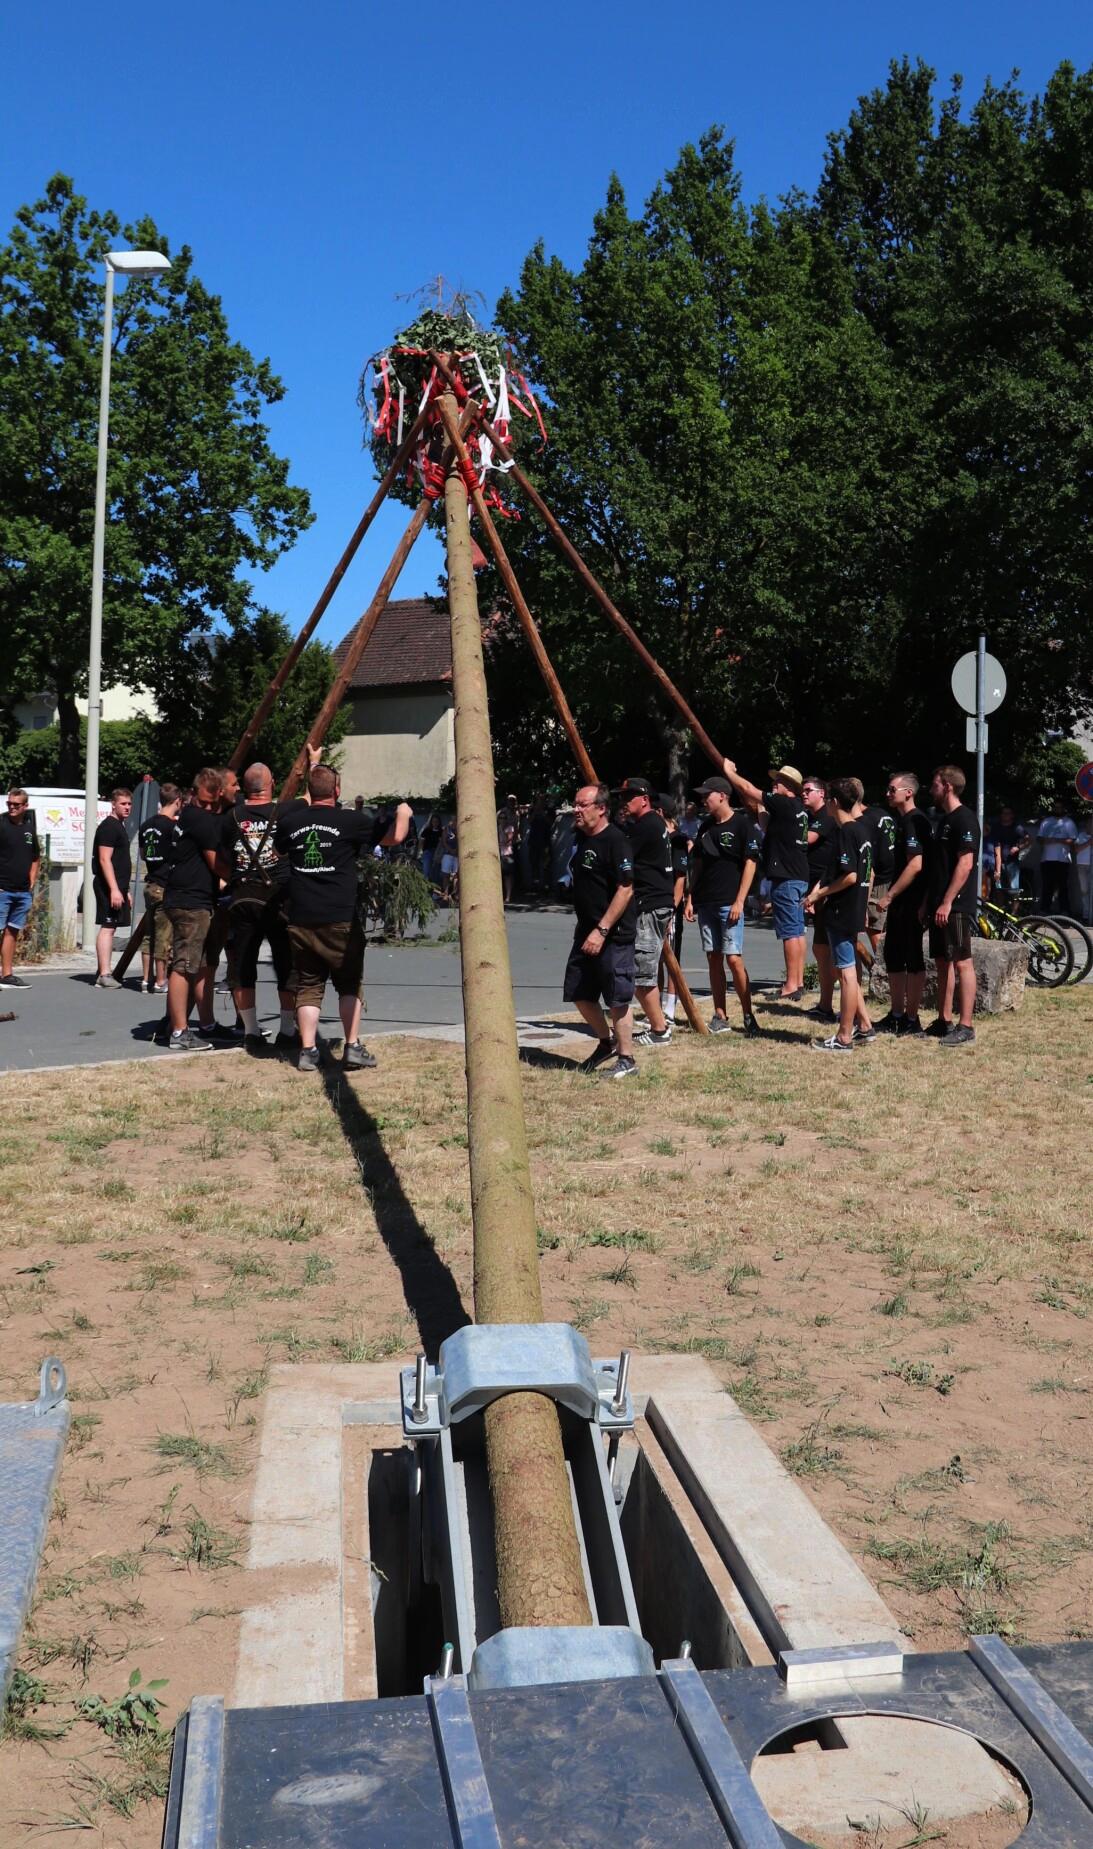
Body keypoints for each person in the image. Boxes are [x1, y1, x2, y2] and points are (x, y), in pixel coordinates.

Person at [274, 762, 375, 1073]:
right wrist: (403, 815)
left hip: (302, 916)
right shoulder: (351, 821)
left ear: (311, 792)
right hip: (340, 916)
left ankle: (306, 1051)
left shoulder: (291, 822)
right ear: (337, 790)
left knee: (308, 984)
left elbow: (279, 852)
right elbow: (393, 838)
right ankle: (353, 1046)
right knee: (348, 983)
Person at [220, 762, 298, 1056]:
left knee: (243, 965)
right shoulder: (286, 813)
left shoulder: (231, 817)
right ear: (272, 784)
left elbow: (219, 857)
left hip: (243, 898)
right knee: (286, 964)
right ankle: (288, 1030)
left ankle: (251, 1032)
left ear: (244, 785)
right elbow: (314, 802)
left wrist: (234, 878)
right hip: (279, 897)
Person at [564, 783, 637, 1080]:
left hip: (612, 934)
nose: (576, 810)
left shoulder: (615, 840)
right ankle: (606, 1042)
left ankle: (627, 1058)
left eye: (583, 805)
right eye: (576, 804)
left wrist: (602, 930)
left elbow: (626, 888)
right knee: (579, 993)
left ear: (601, 808)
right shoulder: (581, 839)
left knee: (617, 998)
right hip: (585, 931)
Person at [722, 759, 810, 998]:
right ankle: (798, 981)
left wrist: (730, 772)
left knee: (789, 931)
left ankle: (791, 985)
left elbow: (750, 789)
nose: (774, 785)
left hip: (786, 877)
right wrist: (759, 809)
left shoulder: (784, 802)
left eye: (779, 782)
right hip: (798, 875)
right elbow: (767, 825)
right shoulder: (796, 809)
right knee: (797, 930)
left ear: (789, 787)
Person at [684, 775, 762, 1036]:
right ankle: (720, 1014)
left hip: (730, 903)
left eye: (708, 795)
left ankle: (748, 1015)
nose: (703, 799)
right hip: (705, 901)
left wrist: (740, 900)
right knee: (713, 957)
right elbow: (698, 864)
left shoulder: (742, 825)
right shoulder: (705, 826)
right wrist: (691, 896)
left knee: (733, 958)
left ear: (722, 795)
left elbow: (751, 863)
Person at [805, 778, 874, 1053]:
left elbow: (852, 876)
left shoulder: (846, 831)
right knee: (846, 971)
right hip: (854, 908)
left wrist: (818, 895)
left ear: (833, 802)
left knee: (846, 974)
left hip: (842, 909)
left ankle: (844, 1037)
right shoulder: (862, 830)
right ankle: (865, 1027)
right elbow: (867, 872)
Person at [162, 768, 226, 1052]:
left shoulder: (188, 813)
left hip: (185, 897)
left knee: (195, 966)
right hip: (190, 901)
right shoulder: (201, 820)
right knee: (184, 965)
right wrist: (238, 874)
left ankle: (198, 1025)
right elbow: (216, 863)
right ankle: (178, 1031)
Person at [926, 764, 981, 1048]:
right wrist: (930, 902)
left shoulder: (965, 820)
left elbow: (966, 863)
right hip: (939, 904)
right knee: (942, 961)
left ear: (947, 785)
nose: (931, 788)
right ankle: (944, 1020)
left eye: (934, 783)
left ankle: (966, 1025)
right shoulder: (945, 820)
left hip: (956, 905)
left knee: (962, 962)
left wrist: (948, 901)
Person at [873, 773, 931, 1036]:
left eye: (892, 789)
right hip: (901, 904)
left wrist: (889, 895)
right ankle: (896, 1014)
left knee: (912, 958)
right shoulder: (902, 821)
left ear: (909, 792)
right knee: (893, 957)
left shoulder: (914, 821)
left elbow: (916, 865)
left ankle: (912, 1018)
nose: (887, 793)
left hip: (911, 902)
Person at [619, 777, 675, 1048]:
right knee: (642, 969)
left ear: (644, 798)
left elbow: (622, 854)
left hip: (651, 904)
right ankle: (658, 1025)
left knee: (642, 973)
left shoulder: (646, 825)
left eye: (629, 797)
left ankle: (659, 1030)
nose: (624, 802)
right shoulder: (652, 823)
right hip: (656, 902)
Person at [138, 784, 181, 994]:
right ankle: (161, 980)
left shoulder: (146, 825)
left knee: (149, 934)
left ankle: (146, 979)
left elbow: (142, 854)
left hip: (150, 883)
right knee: (164, 934)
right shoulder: (172, 828)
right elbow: (177, 855)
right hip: (165, 884)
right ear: (177, 802)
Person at [802, 775, 837, 1026]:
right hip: (817, 889)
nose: (803, 794)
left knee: (836, 951)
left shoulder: (826, 816)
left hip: (827, 889)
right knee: (821, 948)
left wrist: (817, 890)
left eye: (808, 790)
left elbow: (805, 841)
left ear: (822, 794)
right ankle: (825, 1005)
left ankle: (848, 1009)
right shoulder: (810, 818)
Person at [91, 789, 133, 989]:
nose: (127, 807)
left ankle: (104, 970)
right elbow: (104, 859)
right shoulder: (108, 827)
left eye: (129, 804)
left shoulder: (119, 826)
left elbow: (119, 861)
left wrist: (125, 891)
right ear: (113, 805)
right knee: (107, 927)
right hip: (107, 886)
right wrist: (114, 889)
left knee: (112, 926)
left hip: (118, 886)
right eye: (123, 804)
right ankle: (104, 974)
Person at [0, 788, 40, 992]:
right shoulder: (1, 823)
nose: (12, 808)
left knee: (12, 932)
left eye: (16, 805)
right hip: (2, 890)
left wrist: (31, 882)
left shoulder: (29, 828)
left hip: (22, 891)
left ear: (25, 806)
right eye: (9, 804)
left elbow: (35, 857)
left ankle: (6, 975)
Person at [657, 796, 690, 1026]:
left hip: (670, 906)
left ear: (660, 812)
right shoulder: (655, 838)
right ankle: (656, 1007)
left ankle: (670, 1007)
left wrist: (672, 910)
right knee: (655, 958)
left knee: (671, 958)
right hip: (653, 903)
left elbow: (680, 880)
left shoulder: (678, 840)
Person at [861, 792, 897, 959]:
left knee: (874, 930)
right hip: (892, 877)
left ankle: (884, 973)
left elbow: (869, 866)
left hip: (879, 881)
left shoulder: (865, 820)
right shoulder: (880, 813)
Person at [1036, 798, 1077, 912]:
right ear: (1053, 808)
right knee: (1047, 886)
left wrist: (1059, 840)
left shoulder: (1069, 822)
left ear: (1063, 809)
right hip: (1046, 859)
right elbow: (1039, 838)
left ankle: (1065, 911)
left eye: (1060, 807)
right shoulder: (1046, 821)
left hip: (1062, 859)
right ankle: (1045, 910)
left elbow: (1073, 840)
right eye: (1056, 807)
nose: (1058, 809)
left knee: (1063, 887)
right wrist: (1047, 840)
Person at [989, 805, 1027, 895]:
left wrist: (1018, 847)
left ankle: (1014, 909)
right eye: (1003, 813)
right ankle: (999, 908)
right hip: (997, 861)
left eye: (1008, 813)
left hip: (1012, 862)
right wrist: (997, 870)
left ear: (1012, 815)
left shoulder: (1017, 827)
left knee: (1014, 890)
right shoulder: (996, 828)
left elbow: (1028, 839)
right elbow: (996, 848)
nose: (1005, 815)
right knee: (999, 889)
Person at [497, 795, 519, 905]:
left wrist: (503, 829)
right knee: (499, 874)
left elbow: (509, 839)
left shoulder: (510, 826)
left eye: (503, 818)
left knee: (508, 874)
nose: (502, 820)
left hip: (507, 851)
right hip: (498, 852)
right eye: (500, 818)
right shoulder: (502, 812)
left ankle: (508, 896)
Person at [439, 818, 459, 903]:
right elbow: (444, 842)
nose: (453, 822)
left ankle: (454, 894)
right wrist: (450, 850)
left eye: (455, 820)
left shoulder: (460, 829)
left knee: (456, 875)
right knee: (446, 875)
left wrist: (457, 849)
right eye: (452, 820)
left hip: (457, 855)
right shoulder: (446, 830)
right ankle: (446, 894)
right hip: (447, 854)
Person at [421, 811, 443, 884]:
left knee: (436, 871)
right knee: (426, 869)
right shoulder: (426, 831)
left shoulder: (442, 831)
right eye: (433, 821)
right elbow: (422, 841)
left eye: (437, 821)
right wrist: (421, 851)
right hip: (428, 851)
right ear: (431, 822)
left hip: (438, 853)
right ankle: (426, 885)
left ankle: (436, 888)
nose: (435, 823)